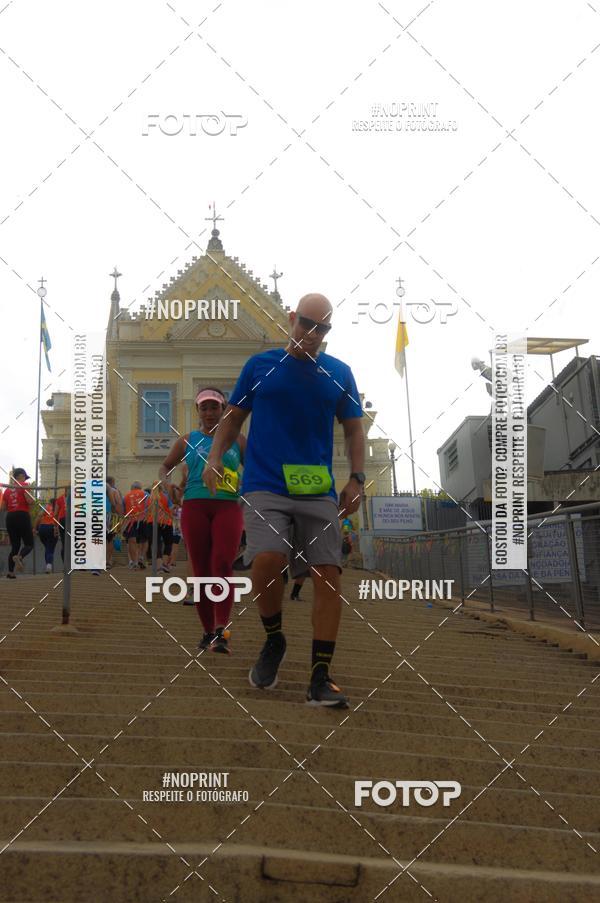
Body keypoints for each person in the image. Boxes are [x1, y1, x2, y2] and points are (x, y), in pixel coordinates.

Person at [203, 293, 365, 707]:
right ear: (291, 319)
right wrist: (215, 457)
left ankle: (320, 677)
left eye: (322, 328)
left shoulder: (339, 373)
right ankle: (274, 639)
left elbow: (353, 429)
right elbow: (234, 417)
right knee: (268, 559)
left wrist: (357, 479)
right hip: (265, 485)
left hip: (318, 490)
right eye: (306, 324)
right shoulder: (260, 366)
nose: (312, 334)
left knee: (329, 573)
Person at [160, 387, 245, 654]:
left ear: (224, 410)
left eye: (214, 407)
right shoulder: (188, 440)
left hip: (228, 506)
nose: (209, 413)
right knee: (200, 570)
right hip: (195, 505)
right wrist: (168, 486)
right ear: (198, 411)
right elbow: (165, 466)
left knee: (222, 563)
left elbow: (255, 467)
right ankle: (208, 632)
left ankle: (222, 628)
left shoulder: (238, 441)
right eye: (204, 408)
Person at [1, 468, 34, 579]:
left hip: (10, 517)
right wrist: (32, 500)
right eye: (24, 476)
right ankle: (20, 557)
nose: (25, 478)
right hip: (22, 515)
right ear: (21, 476)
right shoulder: (25, 485)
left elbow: (3, 507)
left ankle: (10, 573)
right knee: (29, 544)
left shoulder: (7, 490)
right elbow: (29, 501)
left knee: (15, 546)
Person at [123, 481, 147, 569]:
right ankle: (141, 557)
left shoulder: (126, 496)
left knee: (131, 541)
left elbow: (123, 510)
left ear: (131, 488)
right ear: (140, 488)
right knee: (144, 540)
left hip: (130, 521)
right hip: (143, 520)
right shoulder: (145, 494)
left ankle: (134, 562)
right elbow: (150, 505)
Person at [35, 498, 58, 573]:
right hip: (52, 528)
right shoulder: (58, 508)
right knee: (50, 548)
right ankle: (49, 566)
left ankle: (48, 565)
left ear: (50, 502)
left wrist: (35, 528)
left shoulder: (46, 507)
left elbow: (39, 516)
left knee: (47, 548)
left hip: (42, 528)